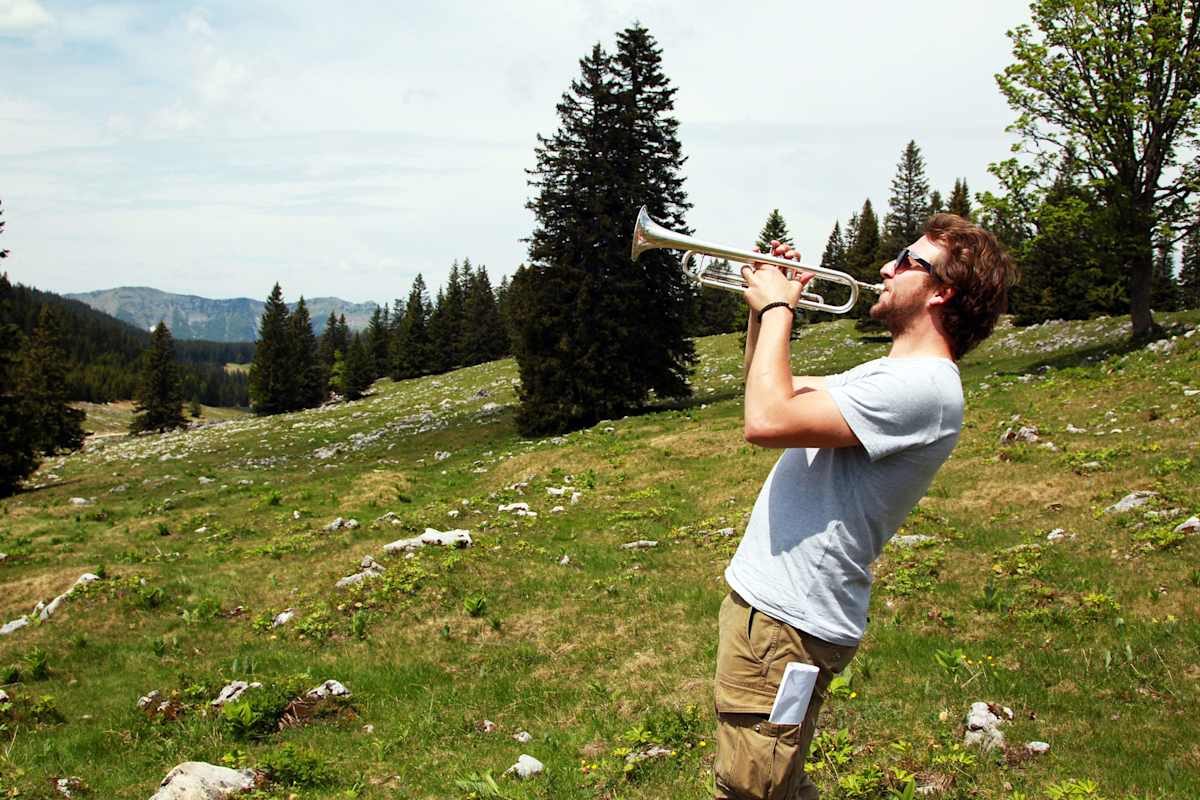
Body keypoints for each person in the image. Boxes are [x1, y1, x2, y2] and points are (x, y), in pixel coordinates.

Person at [713, 213, 1017, 800]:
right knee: (768, 785)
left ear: (941, 291)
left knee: (754, 791)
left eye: (908, 261)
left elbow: (766, 422)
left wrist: (782, 309)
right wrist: (763, 308)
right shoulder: (894, 373)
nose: (886, 266)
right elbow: (770, 389)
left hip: (787, 625)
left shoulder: (924, 387)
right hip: (774, 617)